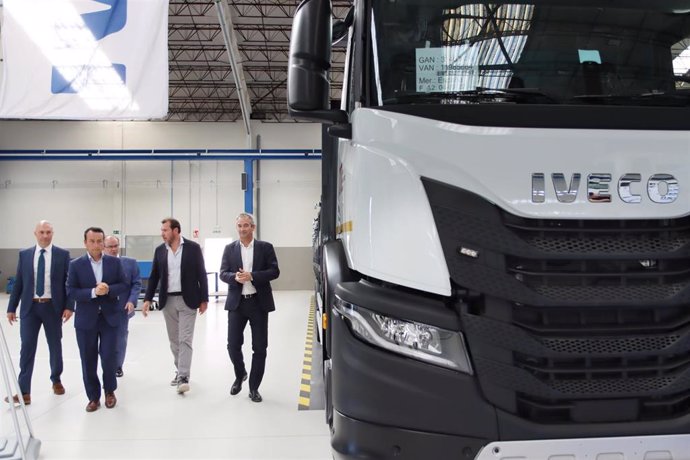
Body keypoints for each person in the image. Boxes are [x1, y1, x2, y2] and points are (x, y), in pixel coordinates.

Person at [5, 220, 73, 405]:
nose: (45, 235)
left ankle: (56, 379)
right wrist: (12, 307)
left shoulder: (62, 254)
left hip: (53, 307)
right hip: (30, 308)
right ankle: (24, 391)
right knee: (26, 348)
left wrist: (69, 306)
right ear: (35, 233)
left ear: (53, 233)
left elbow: (70, 283)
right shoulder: (25, 254)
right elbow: (19, 282)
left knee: (55, 346)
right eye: (42, 232)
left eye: (48, 232)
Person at [142, 218, 208, 394]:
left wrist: (204, 299)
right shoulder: (160, 251)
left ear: (176, 230)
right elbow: (154, 275)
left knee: (185, 338)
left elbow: (201, 273)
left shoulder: (192, 248)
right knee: (174, 341)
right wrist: (147, 299)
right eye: (162, 230)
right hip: (167, 301)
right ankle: (180, 370)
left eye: (165, 230)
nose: (162, 233)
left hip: (189, 299)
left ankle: (184, 377)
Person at [220, 213, 280, 403]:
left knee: (260, 347)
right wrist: (234, 277)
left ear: (253, 227)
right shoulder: (229, 249)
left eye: (246, 225)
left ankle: (254, 388)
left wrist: (252, 276)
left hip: (258, 303)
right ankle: (240, 374)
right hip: (237, 304)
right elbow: (223, 273)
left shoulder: (265, 248)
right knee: (233, 345)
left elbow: (274, 271)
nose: (242, 229)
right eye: (239, 226)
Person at [67, 227, 127, 412]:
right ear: (85, 242)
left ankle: (110, 391)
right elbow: (71, 291)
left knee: (109, 357)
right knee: (88, 359)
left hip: (109, 318)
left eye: (99, 241)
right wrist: (93, 292)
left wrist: (109, 289)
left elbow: (124, 284)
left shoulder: (113, 263)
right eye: (92, 241)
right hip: (86, 321)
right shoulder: (76, 265)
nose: (96, 245)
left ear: (103, 242)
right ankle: (93, 397)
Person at [104, 235, 142, 378]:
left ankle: (118, 366)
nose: (114, 249)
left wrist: (132, 300)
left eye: (116, 246)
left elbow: (137, 284)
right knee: (104, 339)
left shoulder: (130, 263)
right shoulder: (99, 264)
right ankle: (106, 364)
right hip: (103, 308)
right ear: (104, 247)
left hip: (122, 308)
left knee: (120, 337)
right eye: (110, 247)